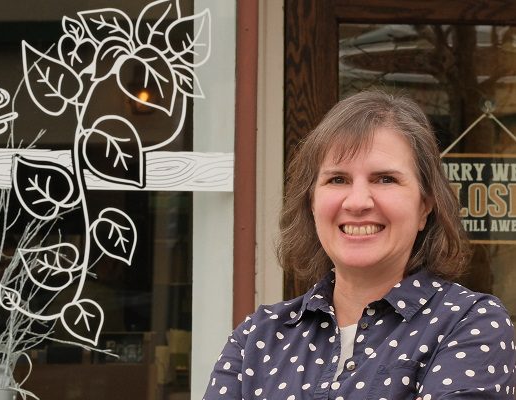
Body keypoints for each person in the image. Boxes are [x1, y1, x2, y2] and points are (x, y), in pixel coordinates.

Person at [202, 90, 516, 399]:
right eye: (337, 179)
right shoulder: (258, 336)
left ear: (425, 206)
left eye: (385, 179)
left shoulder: (468, 323)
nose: (357, 202)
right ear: (312, 204)